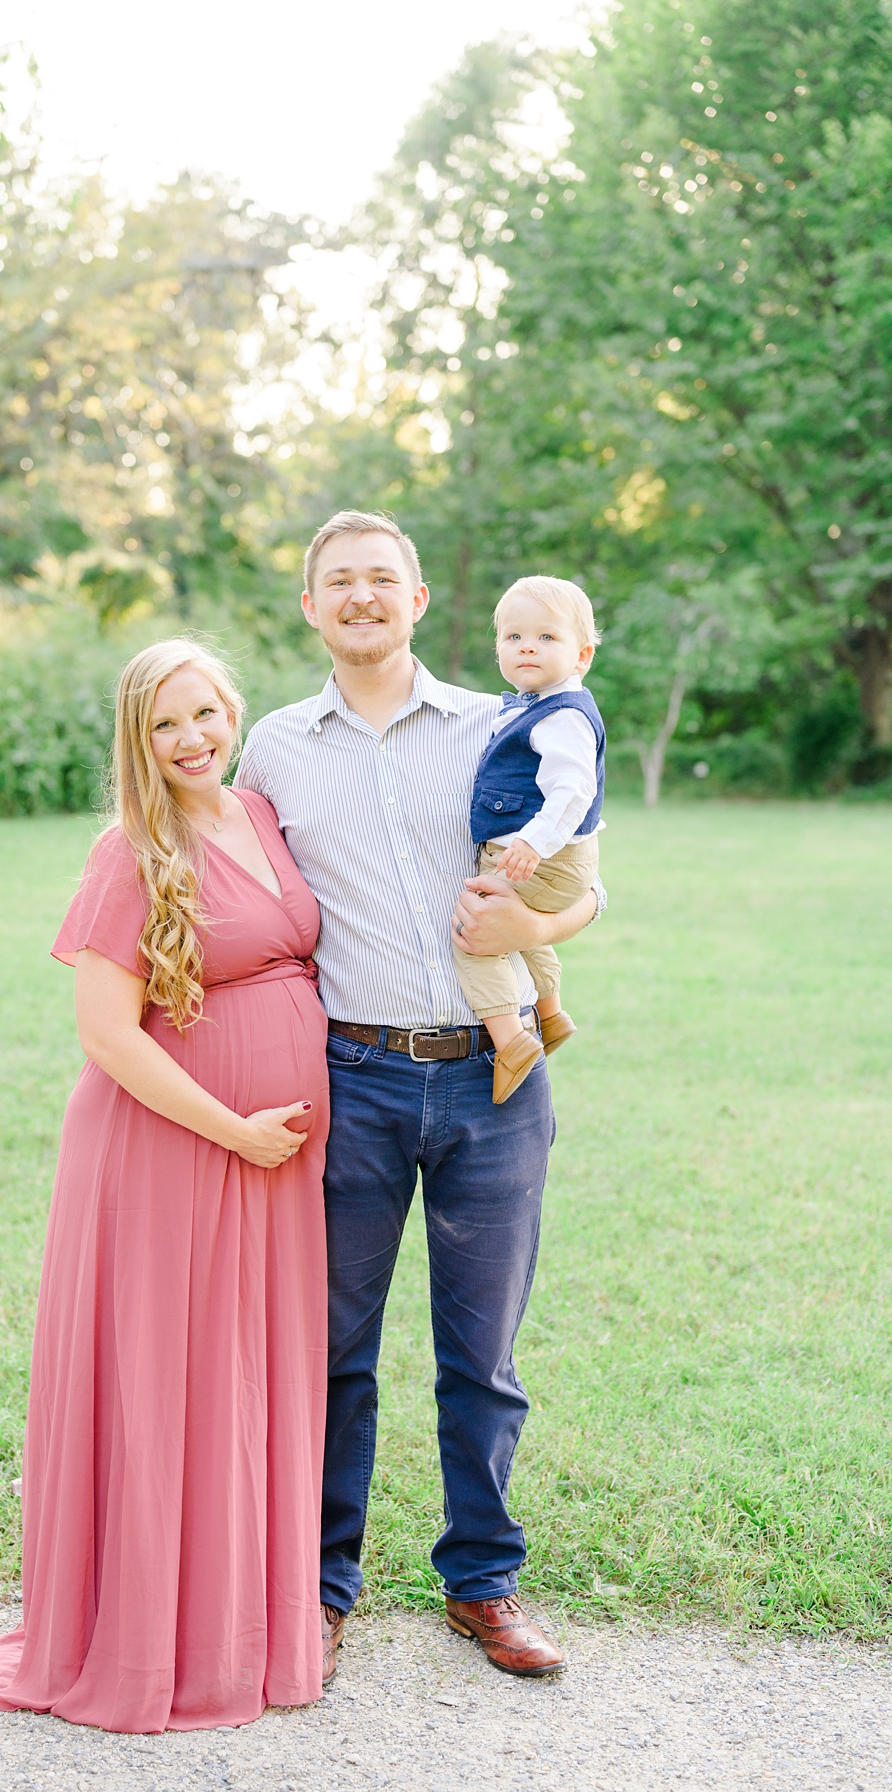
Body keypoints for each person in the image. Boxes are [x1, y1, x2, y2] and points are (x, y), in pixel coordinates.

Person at [233, 511, 599, 1681]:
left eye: (379, 579)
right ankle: (321, 1588)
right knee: (335, 1350)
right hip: (351, 1078)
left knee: (481, 1354)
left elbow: (592, 889)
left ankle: (483, 1583)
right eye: (337, 581)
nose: (360, 596)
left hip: (495, 1082)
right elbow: (222, 892)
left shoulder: (506, 723)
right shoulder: (276, 750)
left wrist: (533, 923)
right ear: (309, 606)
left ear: (420, 598)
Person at [0, 638, 330, 1733]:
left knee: (244, 1382)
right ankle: (142, 1647)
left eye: (204, 715)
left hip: (271, 1159)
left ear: (235, 713)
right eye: (165, 725)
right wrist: (234, 1129)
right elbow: (103, 1033)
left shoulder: (262, 816)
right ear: (138, 742)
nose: (191, 740)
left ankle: (243, 1630)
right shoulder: (128, 849)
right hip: (171, 1151)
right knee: (168, 1384)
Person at [455, 575, 606, 1103]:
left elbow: (573, 789)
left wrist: (533, 842)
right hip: (556, 857)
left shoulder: (562, 714)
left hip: (548, 856)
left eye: (546, 638)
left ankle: (513, 1041)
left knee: (477, 931)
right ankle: (551, 1011)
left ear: (581, 654)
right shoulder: (532, 706)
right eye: (513, 637)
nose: (527, 647)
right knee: (523, 933)